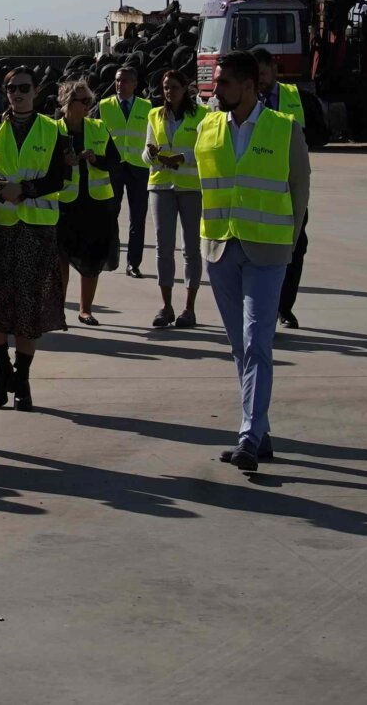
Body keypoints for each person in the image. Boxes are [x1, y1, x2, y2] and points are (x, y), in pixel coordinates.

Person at [198, 50, 311, 473]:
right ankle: (260, 432)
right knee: (240, 347)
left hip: (267, 251)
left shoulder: (285, 129)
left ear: (249, 86)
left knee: (258, 342)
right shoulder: (208, 126)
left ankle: (248, 436)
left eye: (223, 82)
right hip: (220, 249)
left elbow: (300, 193)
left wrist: (291, 243)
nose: (216, 89)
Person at [0, 71, 69, 412]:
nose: (17, 94)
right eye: (11, 89)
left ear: (36, 91)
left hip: (36, 227)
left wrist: (25, 190)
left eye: (24, 88)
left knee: (30, 302)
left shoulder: (52, 129)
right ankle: (2, 372)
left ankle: (23, 378)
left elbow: (60, 176)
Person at [248, 46, 327, 328]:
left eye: (264, 73)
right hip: (254, 187)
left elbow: (322, 134)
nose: (261, 80)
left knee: (295, 245)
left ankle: (284, 307)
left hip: (289, 185)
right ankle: (261, 306)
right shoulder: (242, 101)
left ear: (275, 70)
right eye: (255, 75)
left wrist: (293, 135)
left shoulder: (299, 99)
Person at [52, 78, 119, 326]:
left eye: (90, 100)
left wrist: (95, 159)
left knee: (92, 258)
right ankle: (57, 309)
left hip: (95, 205)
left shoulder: (99, 127)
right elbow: (41, 167)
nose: (89, 105)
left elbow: (114, 161)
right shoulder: (51, 129)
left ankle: (85, 309)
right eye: (84, 101)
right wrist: (63, 163)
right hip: (63, 203)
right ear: (68, 103)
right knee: (60, 259)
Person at [145, 65, 206, 329]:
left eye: (174, 87)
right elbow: (145, 155)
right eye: (166, 88)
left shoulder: (203, 116)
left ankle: (189, 308)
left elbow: (207, 151)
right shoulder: (155, 115)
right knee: (163, 247)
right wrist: (152, 154)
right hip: (161, 185)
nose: (169, 92)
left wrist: (184, 158)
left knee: (191, 248)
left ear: (185, 90)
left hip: (191, 187)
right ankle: (166, 306)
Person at [92, 63, 154, 279]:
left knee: (138, 218)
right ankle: (109, 258)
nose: (120, 84)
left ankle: (133, 264)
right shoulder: (104, 105)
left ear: (135, 84)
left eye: (125, 80)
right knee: (110, 214)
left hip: (139, 167)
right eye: (118, 80)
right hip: (113, 166)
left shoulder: (147, 107)